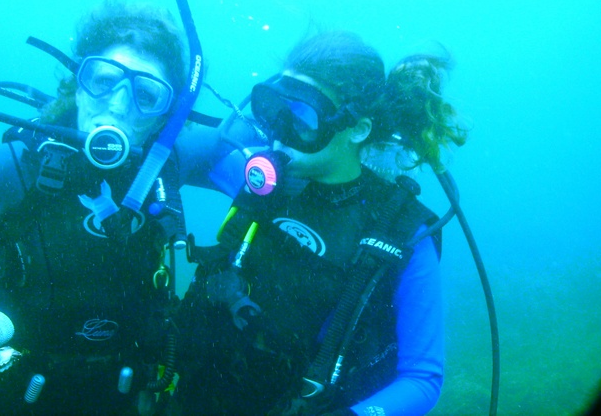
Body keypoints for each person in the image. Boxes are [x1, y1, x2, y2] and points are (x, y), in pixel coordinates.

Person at [0, 0, 191, 415]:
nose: (118, 104)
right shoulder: (9, 169)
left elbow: (245, 152)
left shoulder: (167, 168)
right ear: (77, 83)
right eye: (103, 79)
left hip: (112, 395)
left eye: (146, 93)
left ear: (166, 117)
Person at [172, 30, 468, 416]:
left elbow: (423, 378)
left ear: (358, 128)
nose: (280, 132)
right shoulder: (254, 175)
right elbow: (157, 158)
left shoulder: (401, 229)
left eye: (302, 116)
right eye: (275, 109)